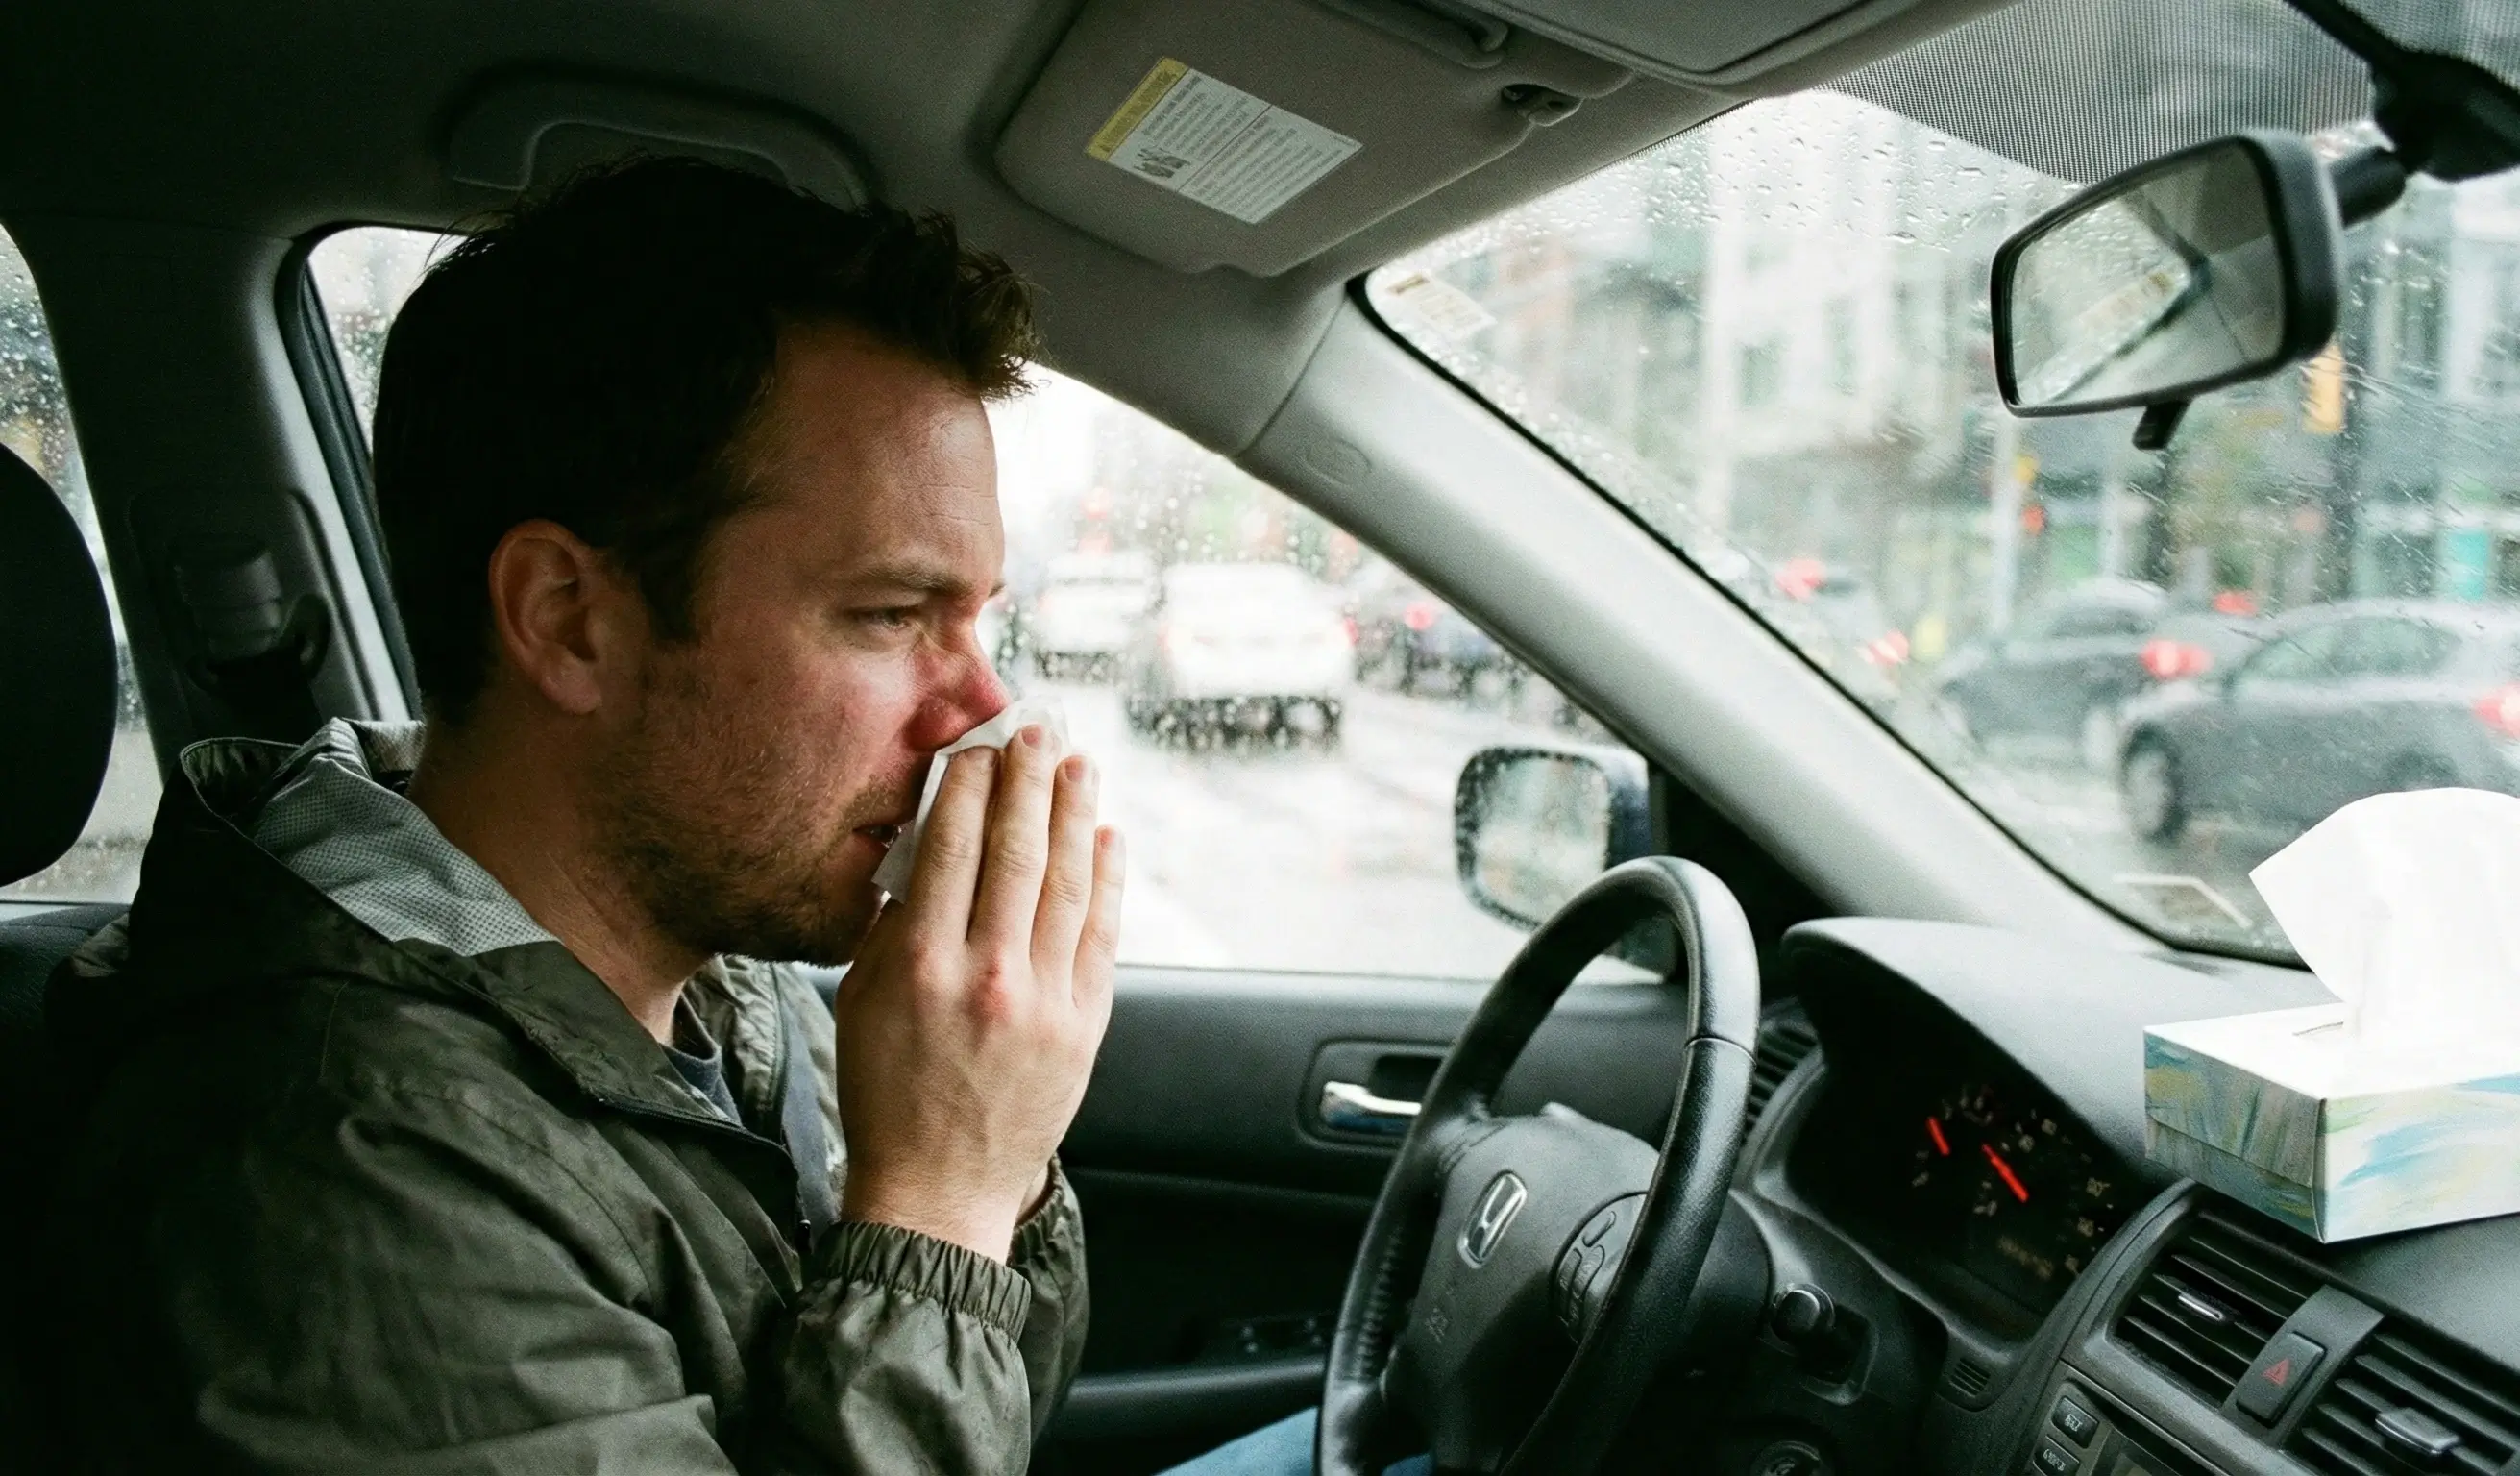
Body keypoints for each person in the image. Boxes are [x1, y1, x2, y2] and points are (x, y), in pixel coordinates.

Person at [44, 159, 1120, 1473]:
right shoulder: (345, 1165)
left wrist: (985, 1137)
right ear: (568, 620)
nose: (978, 708)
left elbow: (1002, 1406)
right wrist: (941, 1206)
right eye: (891, 616)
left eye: (978, 618)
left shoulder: (704, 955)